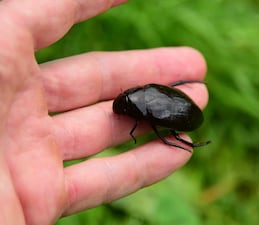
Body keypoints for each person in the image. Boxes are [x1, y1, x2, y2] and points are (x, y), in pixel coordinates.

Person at [0, 0, 208, 224]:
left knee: (165, 137)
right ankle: (187, 141)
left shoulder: (147, 107)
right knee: (165, 137)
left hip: (185, 112)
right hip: (179, 109)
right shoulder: (146, 97)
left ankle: (187, 142)